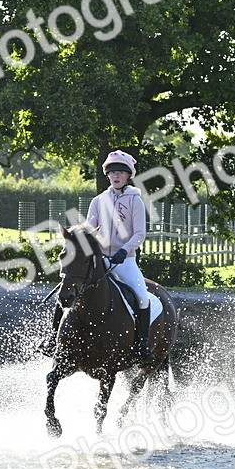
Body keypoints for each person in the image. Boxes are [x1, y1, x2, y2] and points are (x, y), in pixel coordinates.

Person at [39, 149, 153, 359]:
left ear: (128, 176)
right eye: (112, 172)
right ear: (107, 175)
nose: (116, 176)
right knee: (67, 290)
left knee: (142, 297)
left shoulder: (135, 201)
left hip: (124, 261)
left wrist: (124, 250)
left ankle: (141, 346)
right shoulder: (99, 201)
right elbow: (89, 230)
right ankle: (52, 339)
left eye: (121, 172)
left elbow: (139, 234)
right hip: (99, 260)